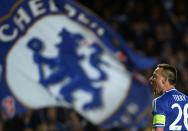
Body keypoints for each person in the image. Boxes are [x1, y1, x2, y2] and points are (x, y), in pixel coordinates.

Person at [149, 63, 188, 131]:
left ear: (164, 80)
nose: (151, 79)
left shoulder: (160, 101)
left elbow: (158, 129)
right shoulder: (186, 99)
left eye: (155, 76)